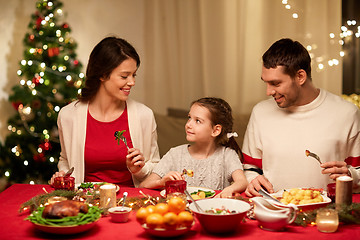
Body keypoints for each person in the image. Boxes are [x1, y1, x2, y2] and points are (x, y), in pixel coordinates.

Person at [242, 38, 360, 197]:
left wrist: (352, 175)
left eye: (275, 83)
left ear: (300, 76)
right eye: (266, 83)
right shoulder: (260, 112)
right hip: (274, 212)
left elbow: (357, 172)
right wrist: (253, 179)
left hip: (326, 215)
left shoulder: (347, 113)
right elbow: (249, 168)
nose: (268, 91)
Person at [50, 36, 160, 187]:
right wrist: (64, 174)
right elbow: (65, 160)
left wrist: (139, 169)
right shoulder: (68, 115)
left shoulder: (144, 116)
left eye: (134, 75)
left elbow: (156, 168)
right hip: (85, 203)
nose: (132, 82)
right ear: (102, 74)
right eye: (124, 76)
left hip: (129, 203)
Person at [140, 97, 248, 197]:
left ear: (215, 130)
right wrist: (162, 182)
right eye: (189, 118)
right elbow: (144, 185)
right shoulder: (175, 154)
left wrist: (230, 189)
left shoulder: (227, 155)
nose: (188, 124)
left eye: (197, 121)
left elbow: (242, 182)